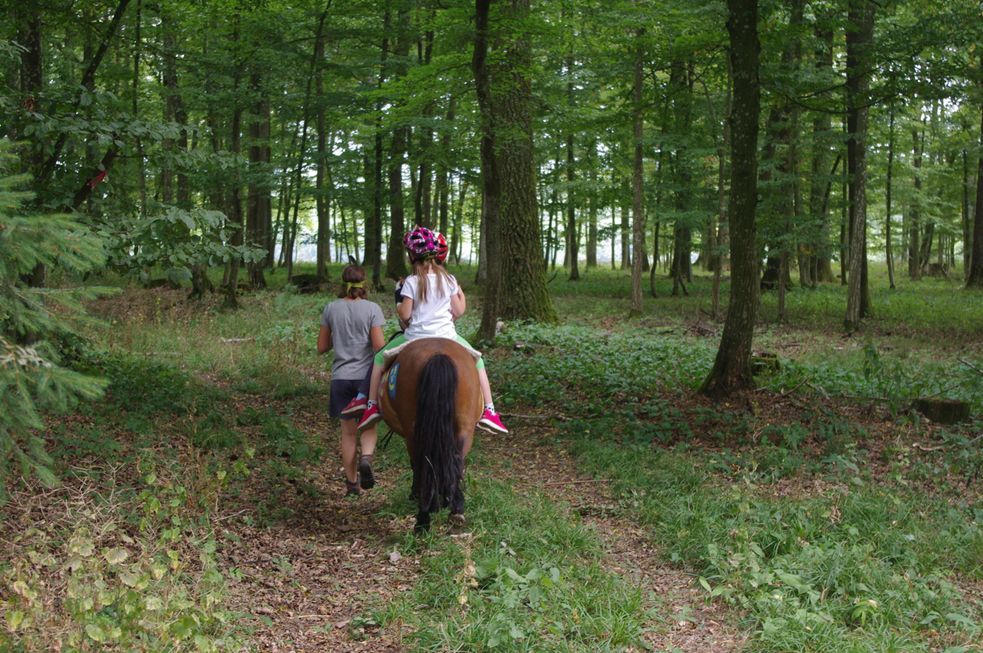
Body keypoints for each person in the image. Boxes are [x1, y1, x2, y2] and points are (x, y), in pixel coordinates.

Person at [355, 226, 508, 435]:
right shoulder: (449, 279)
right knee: (478, 361)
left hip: (415, 337)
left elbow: (406, 314)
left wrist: (399, 305)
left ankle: (371, 404)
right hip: (448, 336)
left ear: (411, 255)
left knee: (380, 358)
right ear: (435, 255)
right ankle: (490, 410)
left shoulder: (411, 281)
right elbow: (459, 310)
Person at [317, 264, 386, 496]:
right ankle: (366, 457)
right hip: (366, 379)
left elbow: (322, 347)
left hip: (340, 378)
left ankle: (352, 484)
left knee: (347, 433)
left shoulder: (330, 308)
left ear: (343, 283)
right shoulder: (372, 309)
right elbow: (378, 347)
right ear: (364, 283)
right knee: (368, 425)